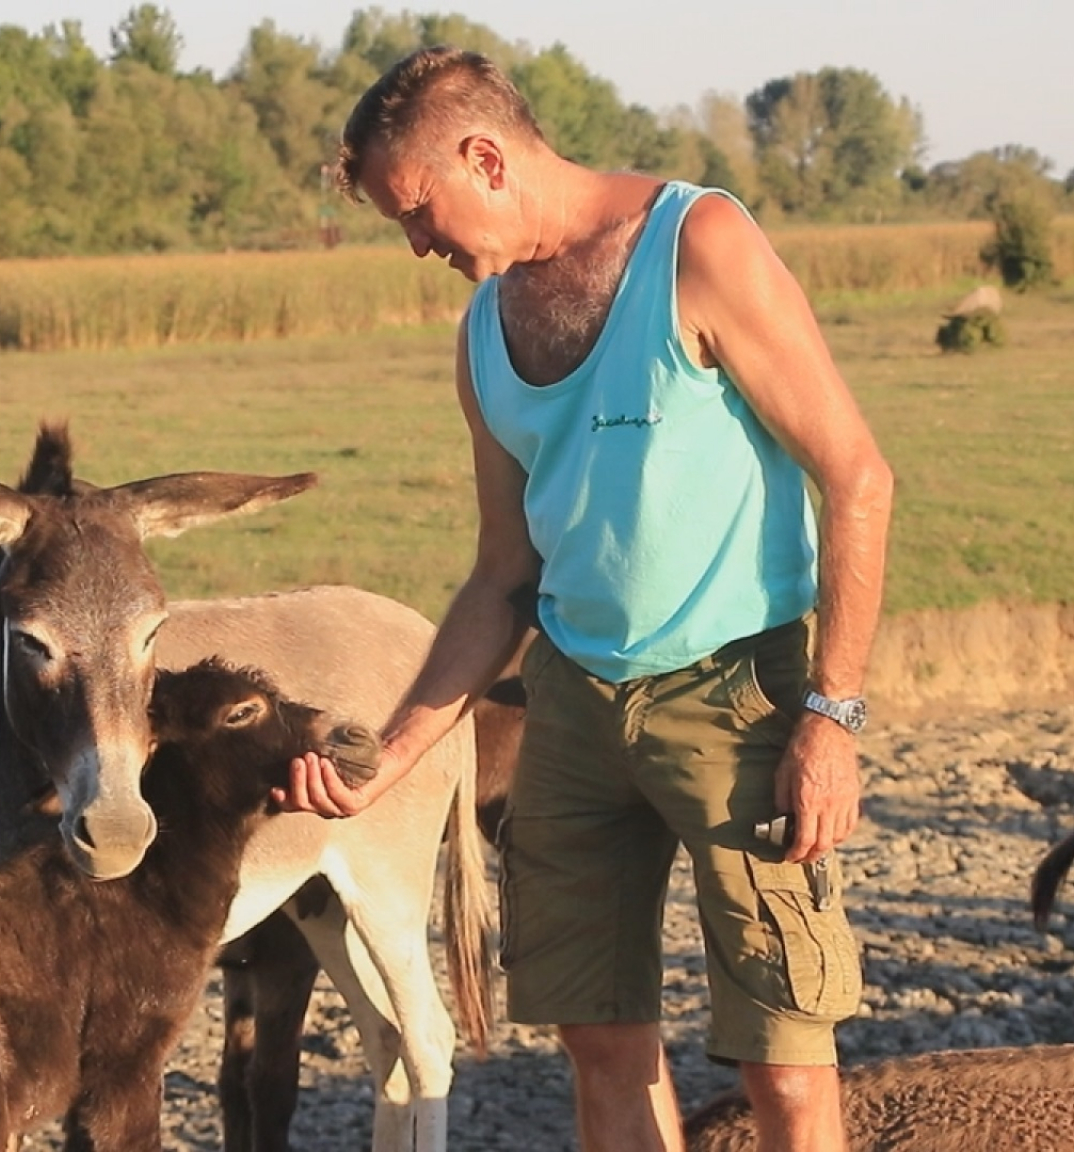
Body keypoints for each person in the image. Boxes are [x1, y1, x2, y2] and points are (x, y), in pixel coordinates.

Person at [274, 47, 894, 1152]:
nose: (417, 245)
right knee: (599, 1044)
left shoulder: (695, 245)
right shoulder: (483, 337)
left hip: (735, 697)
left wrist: (830, 718)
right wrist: (393, 756)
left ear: (483, 155)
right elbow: (500, 576)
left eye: (416, 212)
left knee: (782, 1054)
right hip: (570, 703)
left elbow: (855, 477)